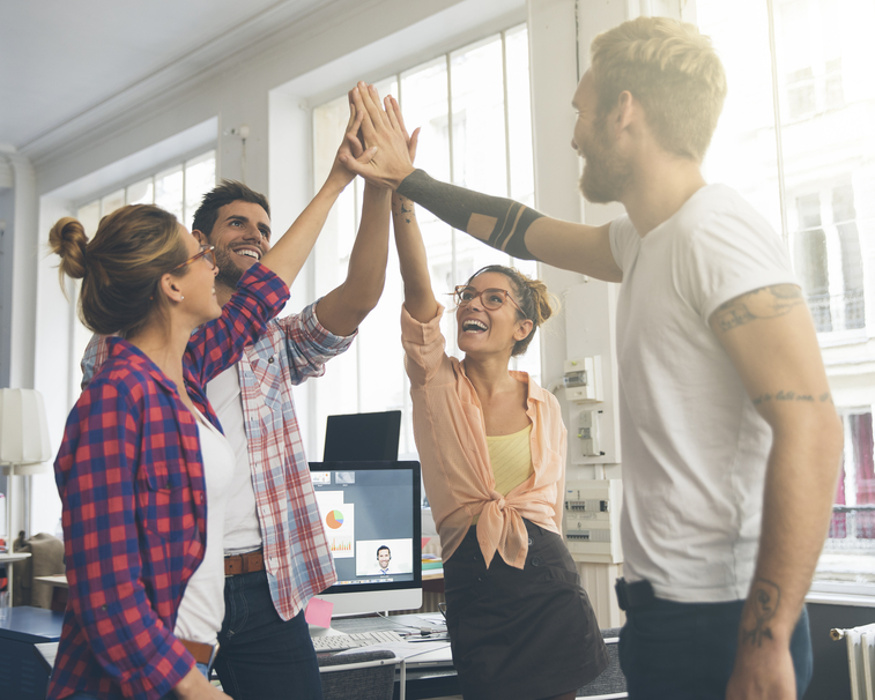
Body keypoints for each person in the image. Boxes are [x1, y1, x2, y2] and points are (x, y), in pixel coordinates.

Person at [342, 15, 844, 700]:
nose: (574, 134)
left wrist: (766, 638)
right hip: (662, 615)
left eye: (580, 112)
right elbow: (520, 230)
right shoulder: (642, 240)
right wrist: (408, 180)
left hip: (723, 623)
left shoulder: (714, 232)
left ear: (623, 111)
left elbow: (811, 427)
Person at [83, 123, 391, 699]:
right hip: (168, 596)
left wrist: (371, 185)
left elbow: (350, 293)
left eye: (265, 229)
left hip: (266, 584)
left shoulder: (242, 343)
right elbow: (107, 580)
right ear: (194, 252)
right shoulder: (124, 365)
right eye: (237, 225)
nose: (256, 237)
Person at [384, 113, 607, 700]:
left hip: (550, 586)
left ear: (521, 326)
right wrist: (399, 193)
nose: (470, 305)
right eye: (467, 296)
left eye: (493, 298)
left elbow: (548, 512)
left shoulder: (544, 406)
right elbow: (417, 295)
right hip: (474, 586)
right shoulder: (436, 380)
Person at [47, 201, 291, 700]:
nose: (214, 262)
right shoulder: (114, 400)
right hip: (137, 681)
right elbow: (107, 593)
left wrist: (338, 182)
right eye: (201, 253)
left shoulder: (185, 376)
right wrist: (195, 689)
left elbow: (260, 298)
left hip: (184, 668)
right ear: (172, 285)